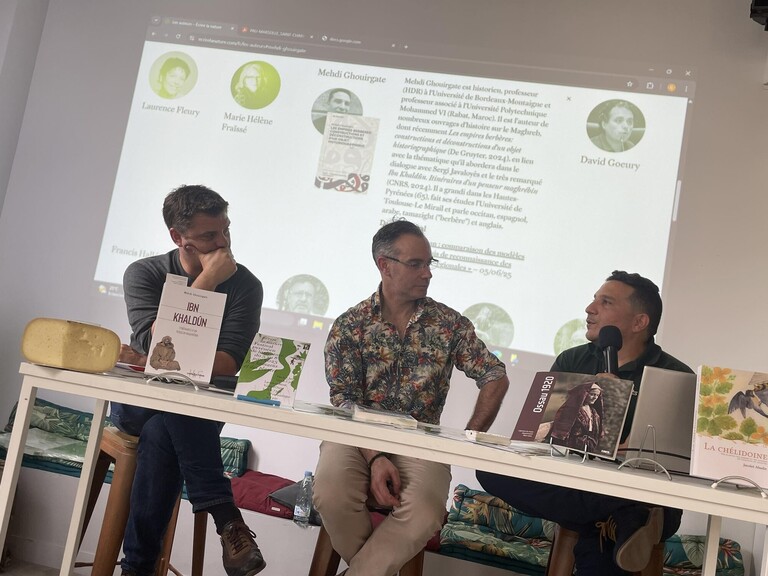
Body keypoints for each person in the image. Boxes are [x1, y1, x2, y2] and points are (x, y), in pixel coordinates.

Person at [313, 220, 510, 576]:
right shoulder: (350, 325)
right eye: (416, 264)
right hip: (355, 436)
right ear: (384, 265)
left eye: (429, 263)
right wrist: (375, 457)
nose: (428, 273)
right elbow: (344, 400)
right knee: (331, 493)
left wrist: (468, 437)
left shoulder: (448, 323)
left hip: (420, 441)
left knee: (425, 511)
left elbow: (494, 375)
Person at [477, 270, 693, 576]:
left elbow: (681, 462)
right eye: (594, 300)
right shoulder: (572, 360)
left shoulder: (677, 376)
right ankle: (624, 514)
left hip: (646, 491)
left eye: (605, 302)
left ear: (639, 322)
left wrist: (632, 445)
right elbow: (543, 437)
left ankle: (620, 512)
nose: (590, 309)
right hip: (583, 481)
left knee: (605, 519)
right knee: (490, 468)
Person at [112, 185, 266, 576]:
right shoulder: (144, 274)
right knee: (174, 403)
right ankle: (227, 519)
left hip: (197, 408)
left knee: (164, 430)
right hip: (139, 403)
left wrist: (160, 361)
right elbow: (159, 349)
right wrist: (208, 282)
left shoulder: (246, 285)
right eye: (209, 236)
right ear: (177, 237)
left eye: (226, 229)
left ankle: (137, 569)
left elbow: (227, 363)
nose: (224, 243)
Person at [550, 381, 603, 453]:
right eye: (592, 394)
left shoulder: (594, 412)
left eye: (597, 395)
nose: (595, 398)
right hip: (571, 447)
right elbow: (562, 431)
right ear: (583, 394)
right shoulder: (570, 409)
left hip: (588, 448)